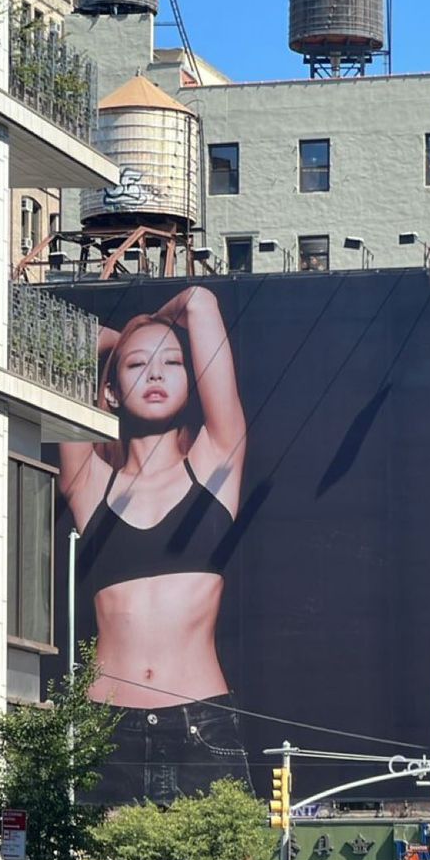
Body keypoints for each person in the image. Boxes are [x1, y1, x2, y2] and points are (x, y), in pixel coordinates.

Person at [58, 285, 252, 804]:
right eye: (138, 366)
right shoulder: (89, 481)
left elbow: (199, 302)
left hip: (200, 725)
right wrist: (118, 342)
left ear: (192, 380)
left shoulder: (215, 462)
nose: (156, 373)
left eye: (171, 362)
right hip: (104, 729)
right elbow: (69, 342)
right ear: (111, 392)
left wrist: (148, 325)